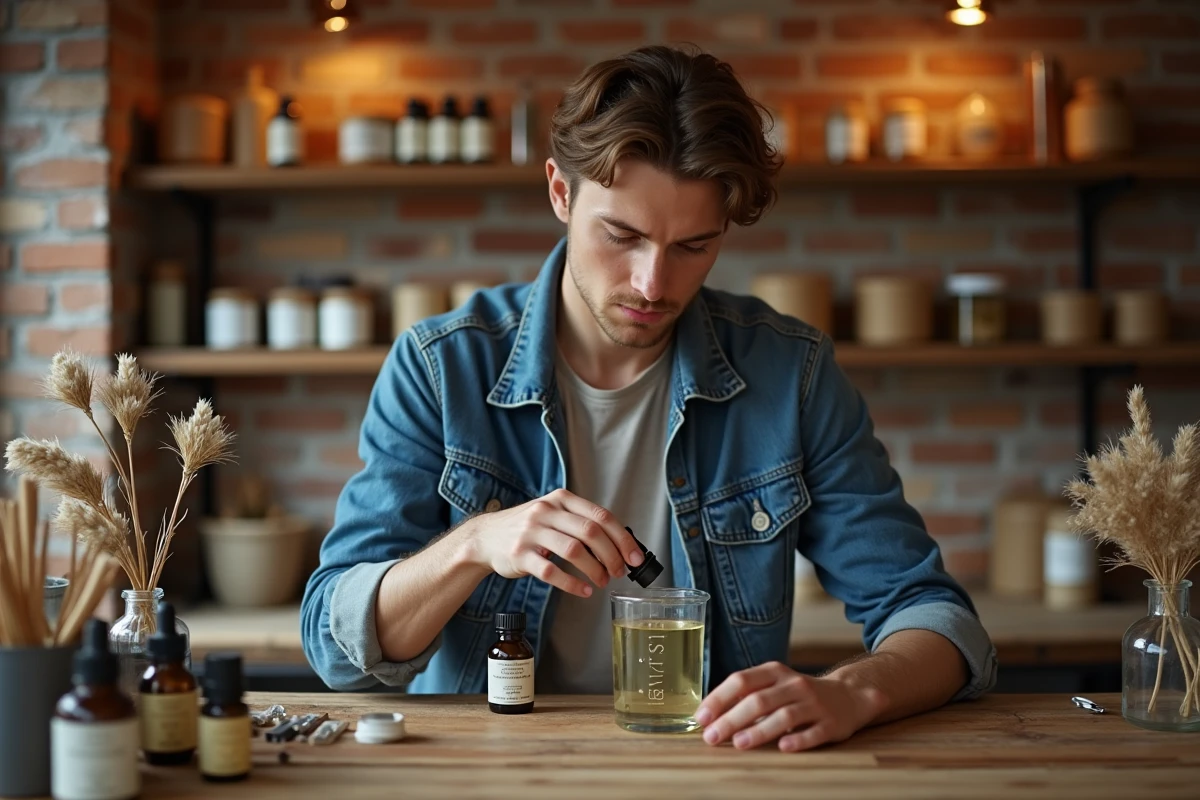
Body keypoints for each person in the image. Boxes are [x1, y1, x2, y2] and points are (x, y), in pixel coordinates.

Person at [302, 45, 997, 752]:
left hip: (709, 768)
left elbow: (937, 618)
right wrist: (476, 544)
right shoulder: (440, 367)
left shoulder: (793, 373)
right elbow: (336, 643)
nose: (652, 283)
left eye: (693, 246)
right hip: (484, 770)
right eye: (622, 235)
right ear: (561, 193)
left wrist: (853, 691)